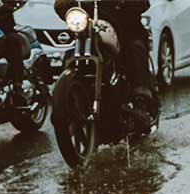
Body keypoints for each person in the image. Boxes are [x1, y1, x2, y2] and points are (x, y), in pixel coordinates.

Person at [54, 0, 154, 132]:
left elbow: (143, 3)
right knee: (69, 54)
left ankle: (141, 102)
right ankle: (68, 103)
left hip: (124, 23)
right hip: (90, 24)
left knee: (135, 48)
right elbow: (61, 5)